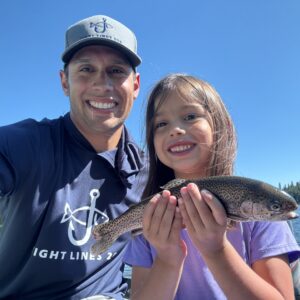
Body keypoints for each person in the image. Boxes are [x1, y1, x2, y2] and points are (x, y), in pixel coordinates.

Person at [0, 15, 148, 299]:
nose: (102, 84)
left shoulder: (148, 171)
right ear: (64, 82)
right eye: (86, 69)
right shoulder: (23, 145)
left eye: (116, 71)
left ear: (136, 85)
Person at [123, 73, 300, 300]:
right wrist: (167, 259)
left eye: (190, 116)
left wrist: (217, 251)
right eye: (161, 123)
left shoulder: (263, 216)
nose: (175, 129)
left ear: (221, 126)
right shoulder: (152, 215)